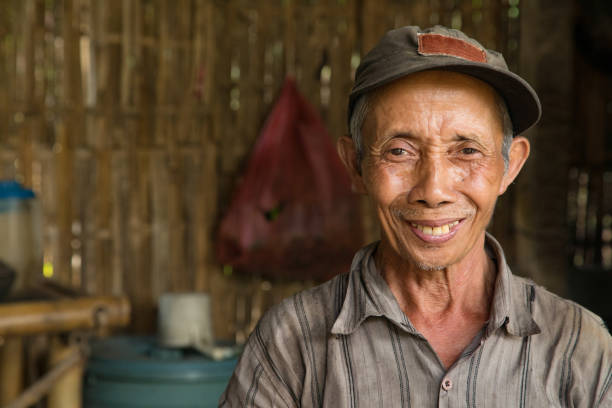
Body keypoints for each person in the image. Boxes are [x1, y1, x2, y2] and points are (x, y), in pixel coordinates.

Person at [220, 25, 612, 407]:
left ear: (510, 167)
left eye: (467, 151)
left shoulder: (579, 347)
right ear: (355, 167)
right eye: (399, 152)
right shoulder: (292, 343)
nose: (433, 191)